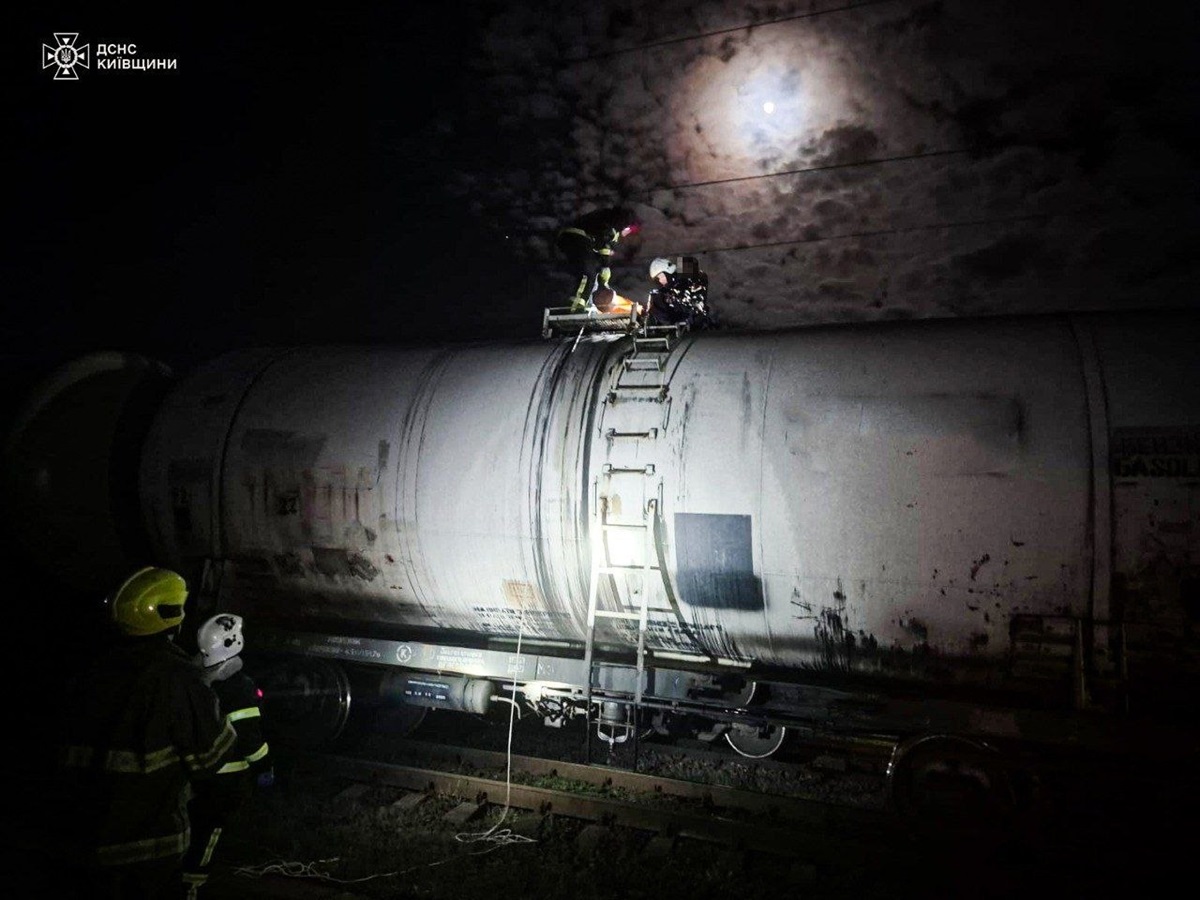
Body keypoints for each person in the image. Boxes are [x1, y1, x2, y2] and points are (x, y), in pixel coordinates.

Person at [59, 567, 236, 900]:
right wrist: (209, 690)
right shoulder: (178, 678)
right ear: (173, 616)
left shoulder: (91, 671)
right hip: (149, 848)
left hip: (80, 840)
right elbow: (211, 758)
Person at [180, 614, 272, 899]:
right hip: (225, 784)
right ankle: (189, 889)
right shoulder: (240, 687)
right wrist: (264, 766)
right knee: (206, 837)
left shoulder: (194, 681)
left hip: (194, 777)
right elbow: (250, 737)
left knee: (188, 830)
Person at [556, 206, 641, 311]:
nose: (628, 233)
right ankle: (575, 309)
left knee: (591, 272)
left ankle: (584, 304)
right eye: (629, 229)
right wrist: (605, 270)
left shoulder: (607, 219)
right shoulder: (612, 228)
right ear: (625, 224)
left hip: (573, 238)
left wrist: (602, 276)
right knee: (587, 274)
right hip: (578, 238)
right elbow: (604, 249)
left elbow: (599, 249)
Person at [646, 256, 717, 329]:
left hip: (697, 323)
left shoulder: (686, 280)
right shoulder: (663, 292)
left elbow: (697, 300)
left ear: (667, 271)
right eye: (658, 279)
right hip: (679, 324)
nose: (660, 281)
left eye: (661, 277)